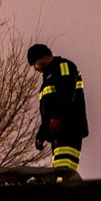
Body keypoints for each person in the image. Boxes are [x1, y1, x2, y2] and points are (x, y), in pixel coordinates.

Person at [28, 44, 89, 173]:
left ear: (43, 57)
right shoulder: (49, 76)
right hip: (58, 131)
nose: (35, 68)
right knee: (59, 170)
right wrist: (41, 134)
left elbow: (66, 93)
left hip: (69, 127)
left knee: (64, 169)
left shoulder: (63, 67)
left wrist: (57, 117)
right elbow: (48, 111)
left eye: (35, 64)